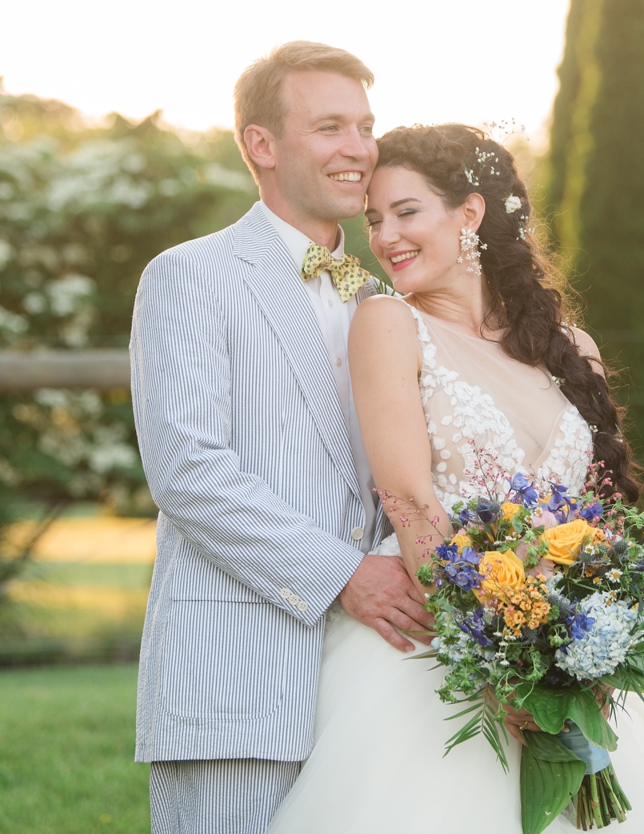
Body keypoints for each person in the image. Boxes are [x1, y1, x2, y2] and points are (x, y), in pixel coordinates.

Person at [266, 124, 644, 832]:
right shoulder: (387, 322)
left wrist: (590, 642)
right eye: (373, 219)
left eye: (406, 211)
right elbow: (409, 497)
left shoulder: (572, 348)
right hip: (436, 643)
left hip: (563, 650)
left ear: (471, 212)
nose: (385, 235)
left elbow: (595, 515)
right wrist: (493, 658)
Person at [129, 41, 431, 834]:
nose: (361, 148)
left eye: (366, 125)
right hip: (238, 672)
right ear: (261, 145)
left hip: (375, 686)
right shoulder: (190, 275)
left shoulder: (384, 299)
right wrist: (344, 575)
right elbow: (187, 468)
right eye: (331, 125)